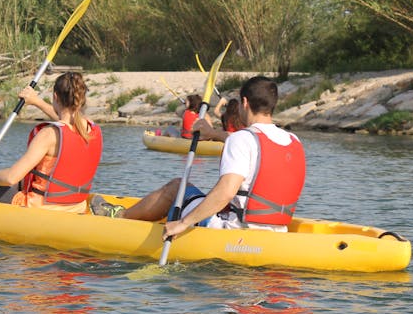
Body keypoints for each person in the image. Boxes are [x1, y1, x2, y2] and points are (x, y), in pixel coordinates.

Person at [122, 76, 306, 234]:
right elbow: (252, 144)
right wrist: (212, 134)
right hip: (278, 228)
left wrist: (183, 223)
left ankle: (120, 218)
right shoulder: (292, 140)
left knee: (178, 187)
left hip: (235, 229)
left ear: (244, 103)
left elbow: (226, 192)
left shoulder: (242, 139)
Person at [0, 72, 103, 214]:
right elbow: (67, 123)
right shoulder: (91, 128)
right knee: (21, 181)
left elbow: (11, 178)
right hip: (76, 206)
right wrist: (36, 101)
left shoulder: (48, 135)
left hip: (39, 207)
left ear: (55, 97)